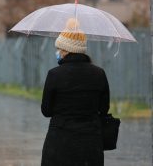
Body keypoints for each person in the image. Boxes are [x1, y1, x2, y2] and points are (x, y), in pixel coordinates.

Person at [41, 18, 110, 166]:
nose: (58, 52)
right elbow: (104, 109)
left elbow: (46, 111)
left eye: (59, 48)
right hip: (91, 144)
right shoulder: (99, 74)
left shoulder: (54, 74)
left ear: (65, 50)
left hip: (59, 143)